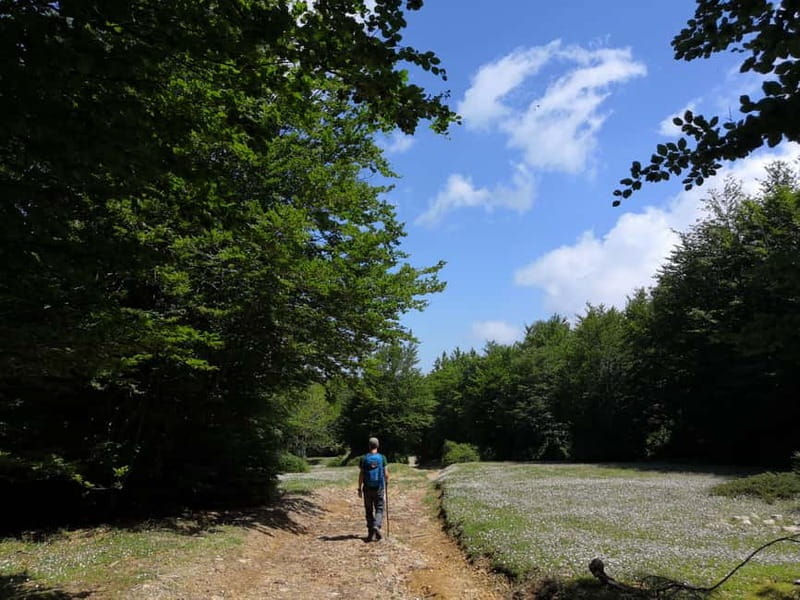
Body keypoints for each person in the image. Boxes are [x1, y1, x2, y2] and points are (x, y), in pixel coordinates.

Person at [357, 437, 388, 541]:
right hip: (379, 488)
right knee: (379, 508)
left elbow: (361, 475)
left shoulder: (364, 458)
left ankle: (371, 533)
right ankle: (376, 525)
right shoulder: (382, 458)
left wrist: (359, 488)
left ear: (369, 446)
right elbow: (386, 474)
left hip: (367, 488)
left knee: (369, 510)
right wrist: (386, 483)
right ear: (378, 445)